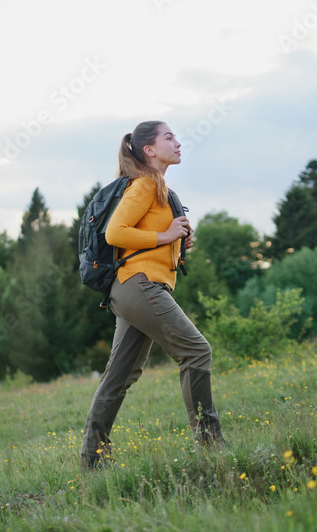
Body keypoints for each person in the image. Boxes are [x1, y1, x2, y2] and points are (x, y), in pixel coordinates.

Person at [80, 120, 224, 471]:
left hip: (136, 287)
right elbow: (116, 232)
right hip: (138, 285)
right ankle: (212, 446)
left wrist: (178, 240)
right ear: (149, 149)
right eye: (169, 137)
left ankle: (92, 462)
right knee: (196, 351)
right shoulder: (144, 185)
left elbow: (148, 237)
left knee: (119, 376)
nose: (178, 142)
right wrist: (164, 237)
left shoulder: (158, 189)